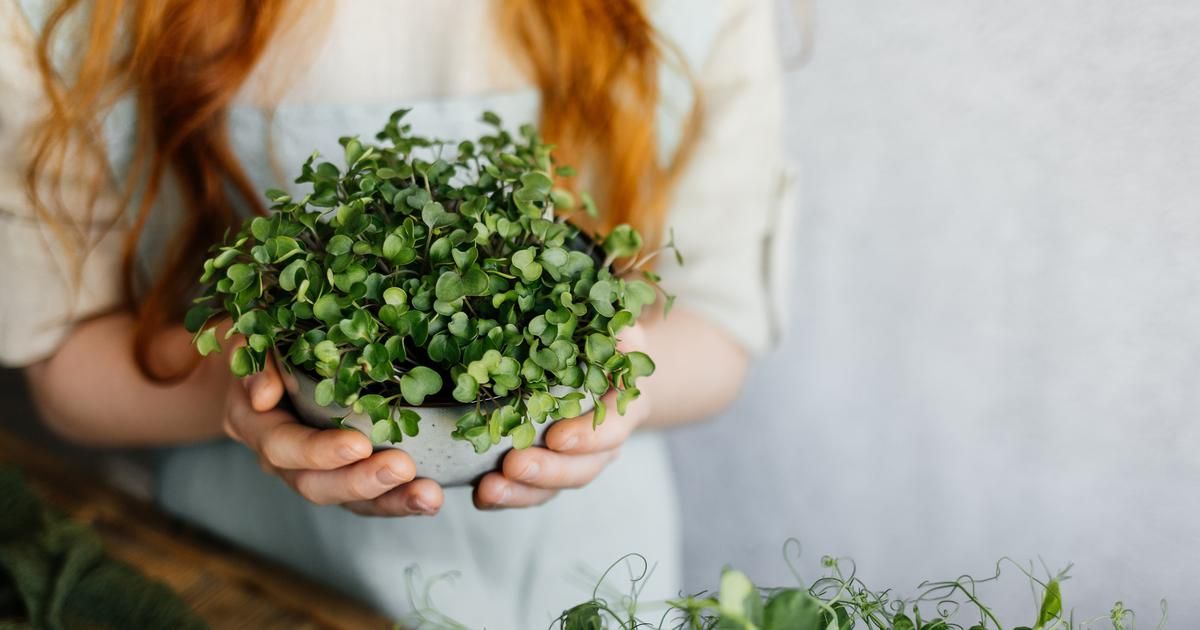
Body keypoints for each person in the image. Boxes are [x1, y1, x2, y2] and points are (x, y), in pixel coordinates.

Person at [0, 0, 788, 626]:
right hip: (245, 577)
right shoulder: (72, 15)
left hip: (581, 581)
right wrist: (249, 388)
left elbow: (718, 323)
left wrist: (616, 391)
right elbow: (65, 364)